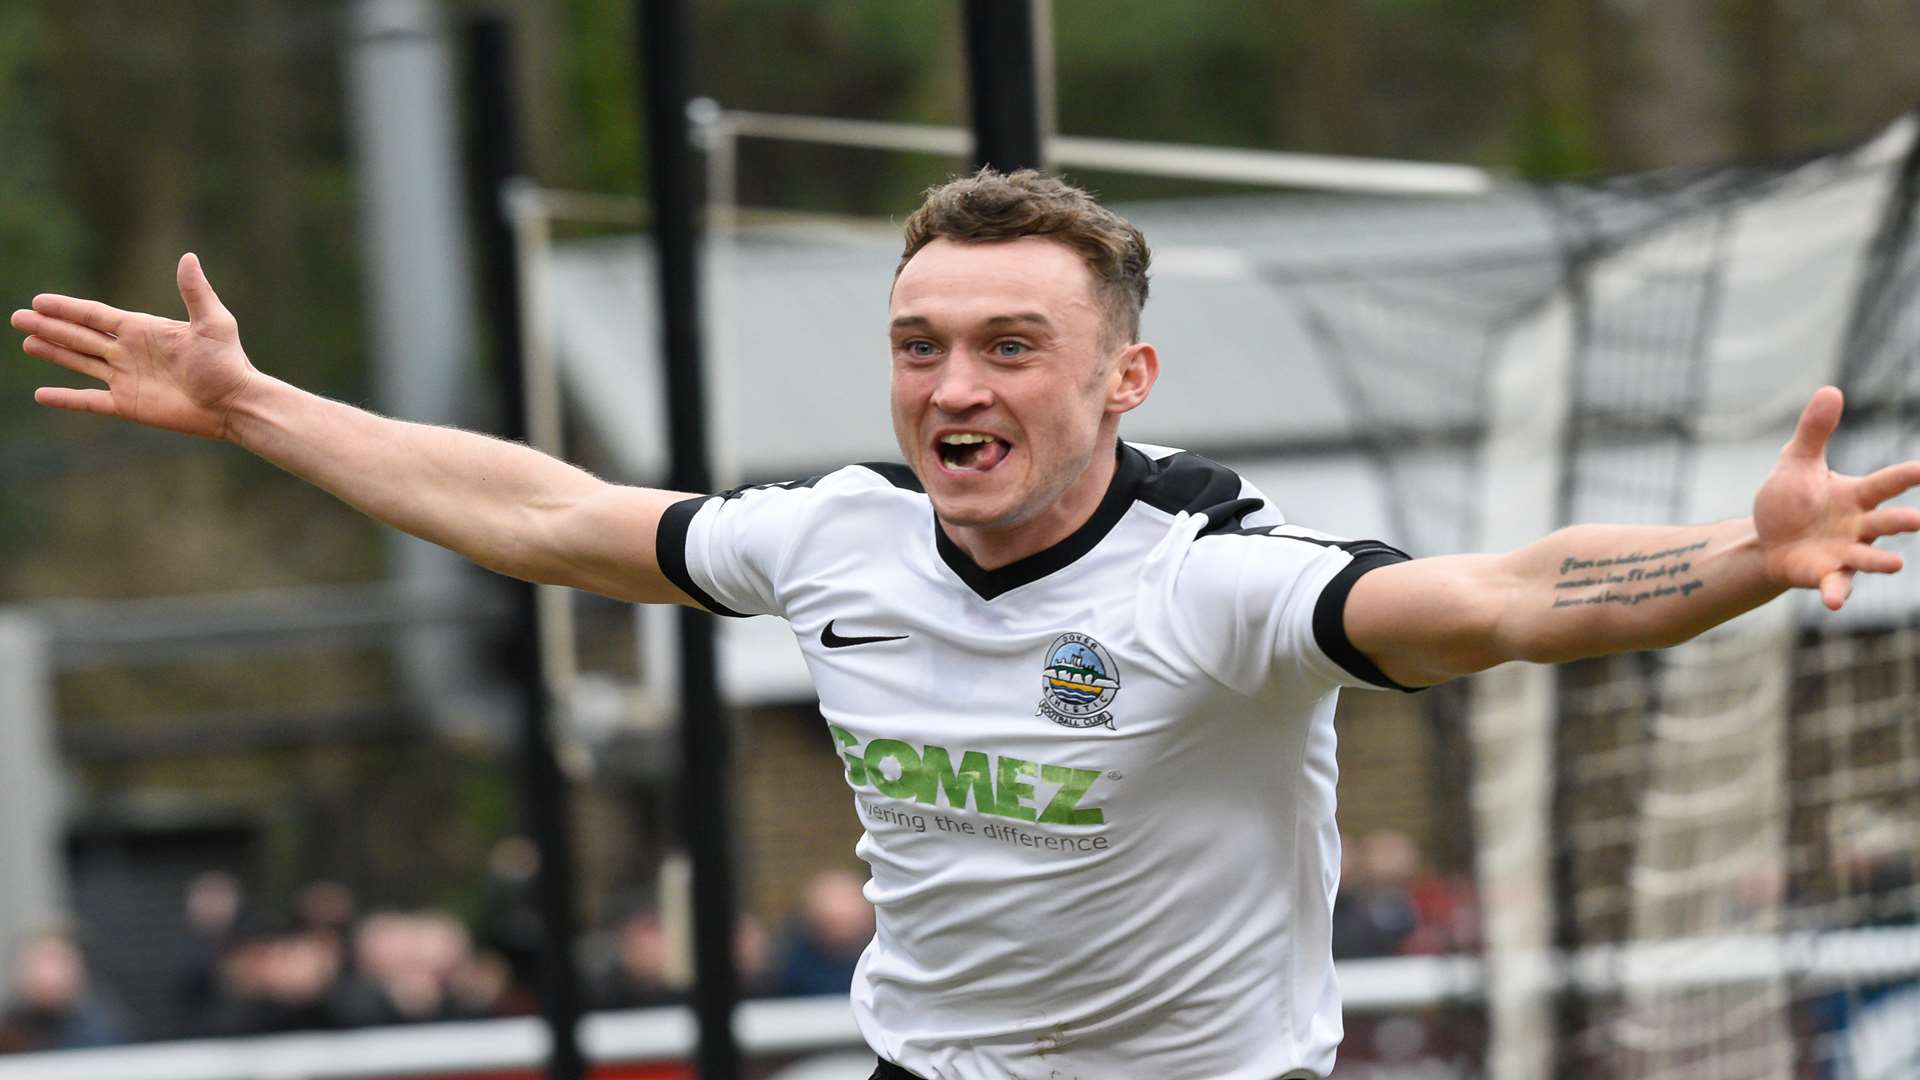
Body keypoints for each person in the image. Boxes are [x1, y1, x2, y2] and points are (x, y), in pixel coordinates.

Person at [12, 169, 1920, 1080]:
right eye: (921, 344)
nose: (956, 384)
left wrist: (1741, 558)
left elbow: (1497, 600)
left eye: (1014, 343)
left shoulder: (1215, 582)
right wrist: (259, 405)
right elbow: (548, 509)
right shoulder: (840, 541)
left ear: (1125, 375)